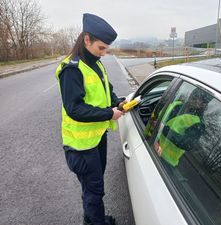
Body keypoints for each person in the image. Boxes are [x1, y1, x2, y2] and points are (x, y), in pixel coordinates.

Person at [55, 13, 126, 225]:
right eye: (101, 48)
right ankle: (96, 221)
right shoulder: (72, 69)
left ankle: (92, 218)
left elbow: (107, 89)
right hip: (81, 145)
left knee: (92, 187)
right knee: (94, 189)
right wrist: (108, 114)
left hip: (96, 138)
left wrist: (117, 103)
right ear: (87, 39)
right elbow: (74, 109)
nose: (103, 53)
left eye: (106, 49)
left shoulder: (95, 63)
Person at [154, 88, 212, 167]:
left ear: (203, 105)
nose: (192, 99)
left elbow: (187, 144)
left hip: (165, 162)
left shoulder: (198, 124)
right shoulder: (177, 104)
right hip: (152, 144)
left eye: (196, 99)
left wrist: (164, 129)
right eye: (192, 95)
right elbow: (160, 115)